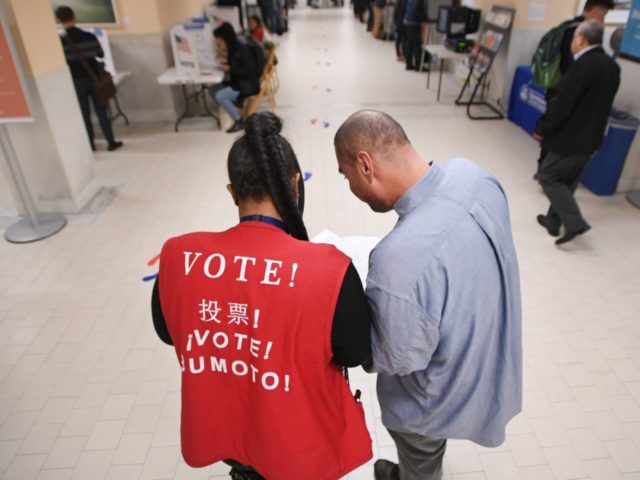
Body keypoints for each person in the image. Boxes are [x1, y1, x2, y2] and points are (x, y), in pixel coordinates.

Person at [152, 112, 373, 479]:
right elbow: (354, 351)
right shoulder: (329, 268)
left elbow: (168, 330)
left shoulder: (179, 255)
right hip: (299, 440)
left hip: (232, 433)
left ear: (232, 192)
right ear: (295, 185)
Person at [334, 110, 522, 480]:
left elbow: (395, 359)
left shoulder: (397, 260)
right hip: (482, 360)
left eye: (346, 175)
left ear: (365, 164)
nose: (350, 186)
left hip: (432, 402)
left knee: (422, 457)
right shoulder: (475, 175)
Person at [534, 20, 620, 245]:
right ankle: (553, 221)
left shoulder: (582, 66)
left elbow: (562, 105)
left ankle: (575, 223)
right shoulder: (611, 66)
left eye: (573, 39)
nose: (572, 43)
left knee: (548, 175)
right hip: (592, 138)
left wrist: (543, 127)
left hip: (570, 138)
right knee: (569, 180)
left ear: (581, 39)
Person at [535, 0, 614, 174]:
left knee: (557, 127)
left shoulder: (569, 26)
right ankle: (546, 170)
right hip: (564, 90)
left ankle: (548, 168)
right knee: (557, 128)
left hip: (562, 89)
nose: (604, 17)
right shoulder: (576, 31)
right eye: (604, 12)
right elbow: (571, 66)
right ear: (596, 9)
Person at [55, 6, 123, 152]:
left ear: (59, 20)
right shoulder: (89, 36)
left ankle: (90, 145)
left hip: (76, 81)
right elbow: (100, 54)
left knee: (84, 113)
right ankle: (111, 142)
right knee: (101, 110)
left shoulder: (59, 42)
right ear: (74, 17)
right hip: (94, 78)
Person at [209, 23, 261, 133]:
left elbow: (249, 71)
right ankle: (231, 108)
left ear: (226, 39)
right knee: (212, 89)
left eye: (220, 42)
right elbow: (237, 64)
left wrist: (230, 69)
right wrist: (226, 59)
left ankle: (239, 120)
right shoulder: (234, 48)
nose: (219, 45)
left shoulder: (241, 49)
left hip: (247, 86)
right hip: (239, 82)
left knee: (219, 95)